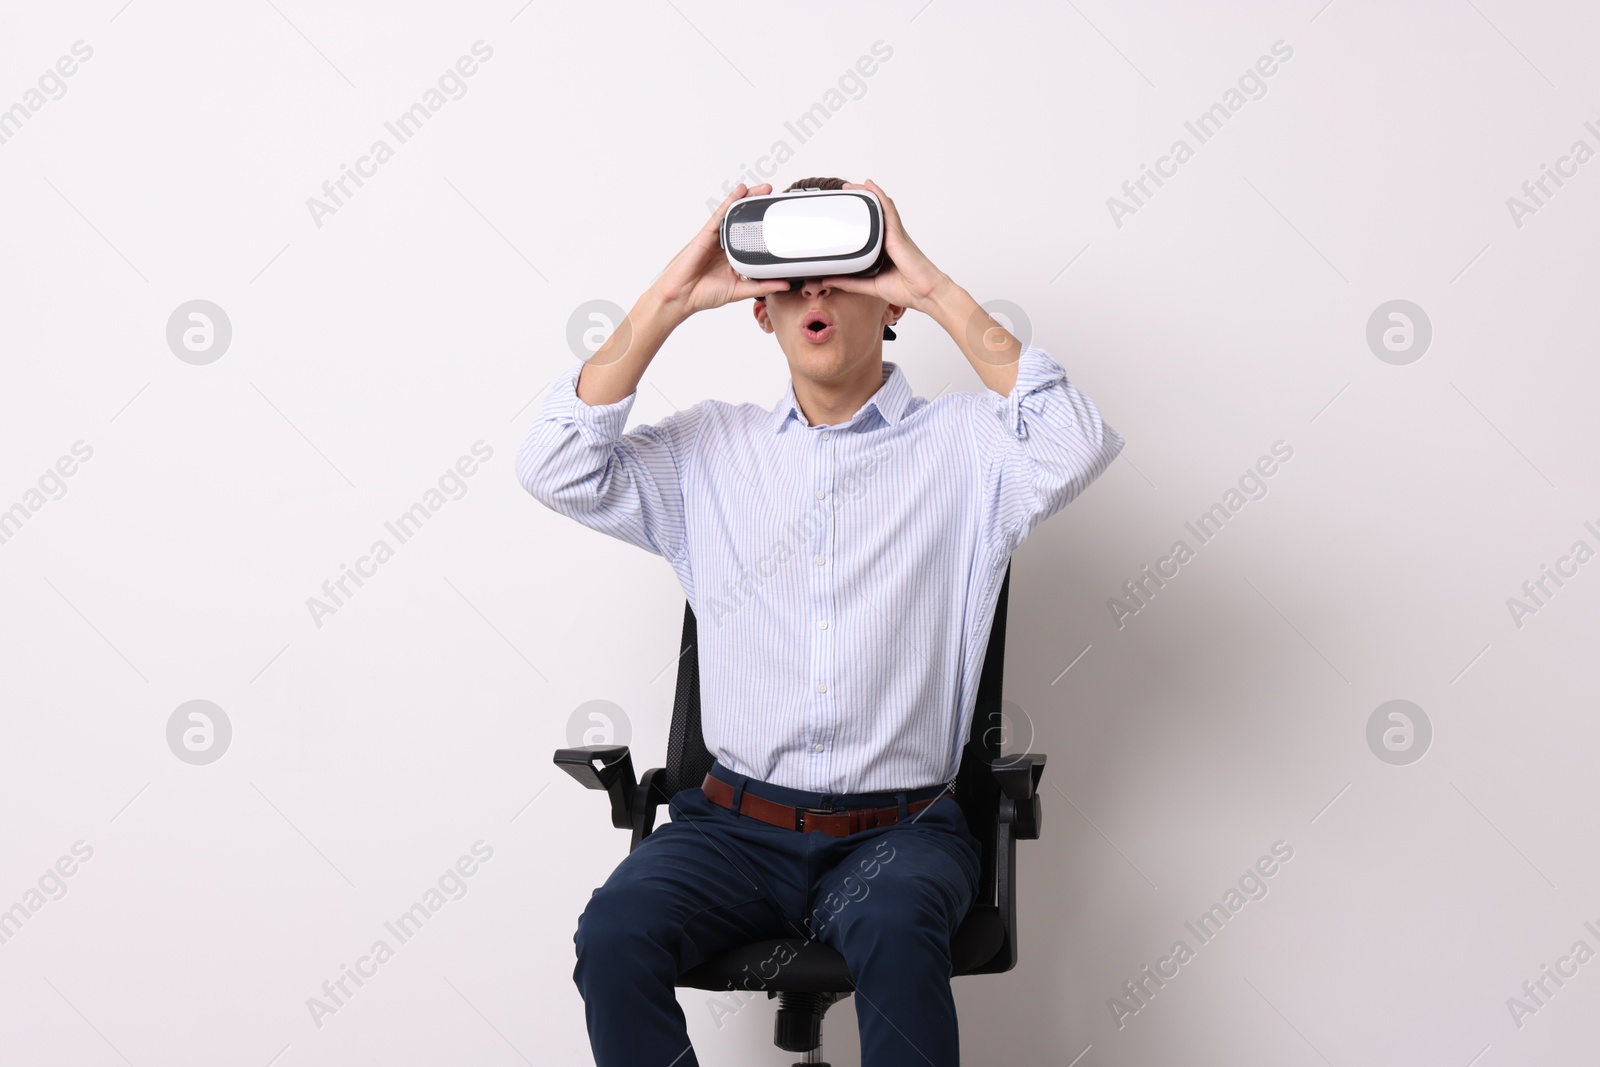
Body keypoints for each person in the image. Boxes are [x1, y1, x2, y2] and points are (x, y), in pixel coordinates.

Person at [517, 176, 1124, 1066]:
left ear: (884, 305)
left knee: (894, 928)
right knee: (614, 935)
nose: (816, 296)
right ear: (762, 312)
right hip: (729, 832)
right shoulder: (706, 451)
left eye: (842, 275)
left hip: (900, 835)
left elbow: (1075, 436)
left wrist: (931, 287)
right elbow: (554, 462)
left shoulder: (968, 448)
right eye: (792, 282)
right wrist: (672, 300)